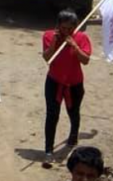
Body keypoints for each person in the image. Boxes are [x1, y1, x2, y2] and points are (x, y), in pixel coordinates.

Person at [42, 9, 92, 167]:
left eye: (70, 28)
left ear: (75, 27)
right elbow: (47, 58)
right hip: (54, 82)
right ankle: (48, 150)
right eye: (63, 28)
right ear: (58, 26)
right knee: (52, 115)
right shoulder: (49, 35)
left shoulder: (82, 37)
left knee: (73, 111)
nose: (66, 31)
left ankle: (73, 136)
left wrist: (75, 46)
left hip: (74, 84)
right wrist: (54, 44)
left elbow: (85, 61)